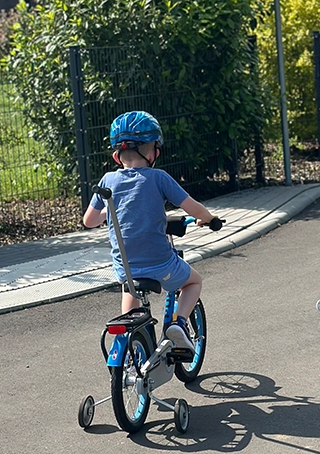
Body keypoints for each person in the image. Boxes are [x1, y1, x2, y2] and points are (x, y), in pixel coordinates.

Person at [83, 111, 220, 352]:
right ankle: (179, 323)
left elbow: (90, 221)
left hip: (125, 267)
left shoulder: (107, 181)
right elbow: (191, 207)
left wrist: (114, 212)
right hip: (160, 264)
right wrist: (209, 219)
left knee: (130, 288)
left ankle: (130, 344)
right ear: (152, 150)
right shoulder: (159, 178)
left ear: (117, 155)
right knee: (193, 282)